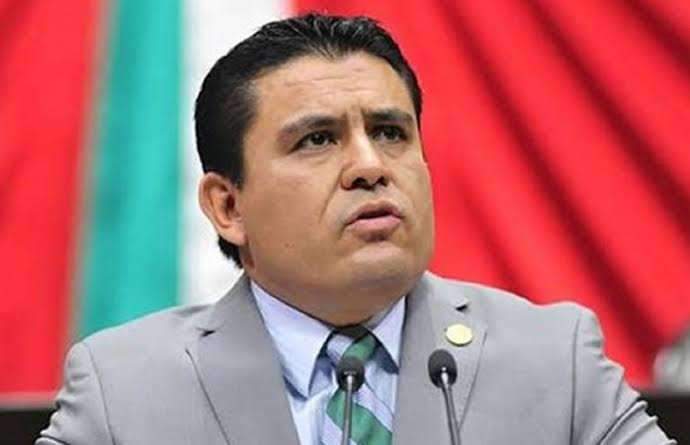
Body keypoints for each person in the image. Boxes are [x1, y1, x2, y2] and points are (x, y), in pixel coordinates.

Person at [37, 13, 674, 445]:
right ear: (228, 207)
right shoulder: (126, 391)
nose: (371, 166)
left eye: (391, 132)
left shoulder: (554, 360)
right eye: (318, 140)